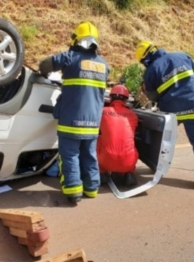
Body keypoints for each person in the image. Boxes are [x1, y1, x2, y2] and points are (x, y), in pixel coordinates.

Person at [38, 21, 110, 203]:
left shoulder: (70, 57)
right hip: (93, 122)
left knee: (70, 156)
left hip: (71, 120)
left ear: (77, 40)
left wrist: (45, 72)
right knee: (89, 155)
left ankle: (73, 191)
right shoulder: (104, 65)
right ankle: (92, 189)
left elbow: (45, 64)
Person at [135, 40, 194, 188]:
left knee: (160, 139)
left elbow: (153, 97)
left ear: (144, 59)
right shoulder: (182, 56)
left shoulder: (151, 71)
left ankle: (157, 166)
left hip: (172, 112)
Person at [97, 84, 139, 186]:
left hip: (105, 161)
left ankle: (102, 173)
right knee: (131, 145)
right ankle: (129, 174)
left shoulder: (102, 112)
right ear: (126, 100)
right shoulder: (133, 115)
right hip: (128, 162)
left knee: (98, 140)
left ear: (110, 98)